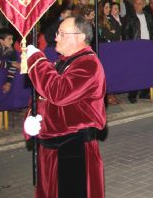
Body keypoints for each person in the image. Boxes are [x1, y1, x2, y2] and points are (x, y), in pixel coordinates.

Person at [23, 16, 106, 197]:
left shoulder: (88, 64)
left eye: (61, 34)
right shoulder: (62, 62)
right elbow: (42, 96)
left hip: (73, 149)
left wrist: (37, 60)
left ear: (80, 37)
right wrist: (31, 117)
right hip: (50, 149)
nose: (56, 38)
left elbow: (58, 92)